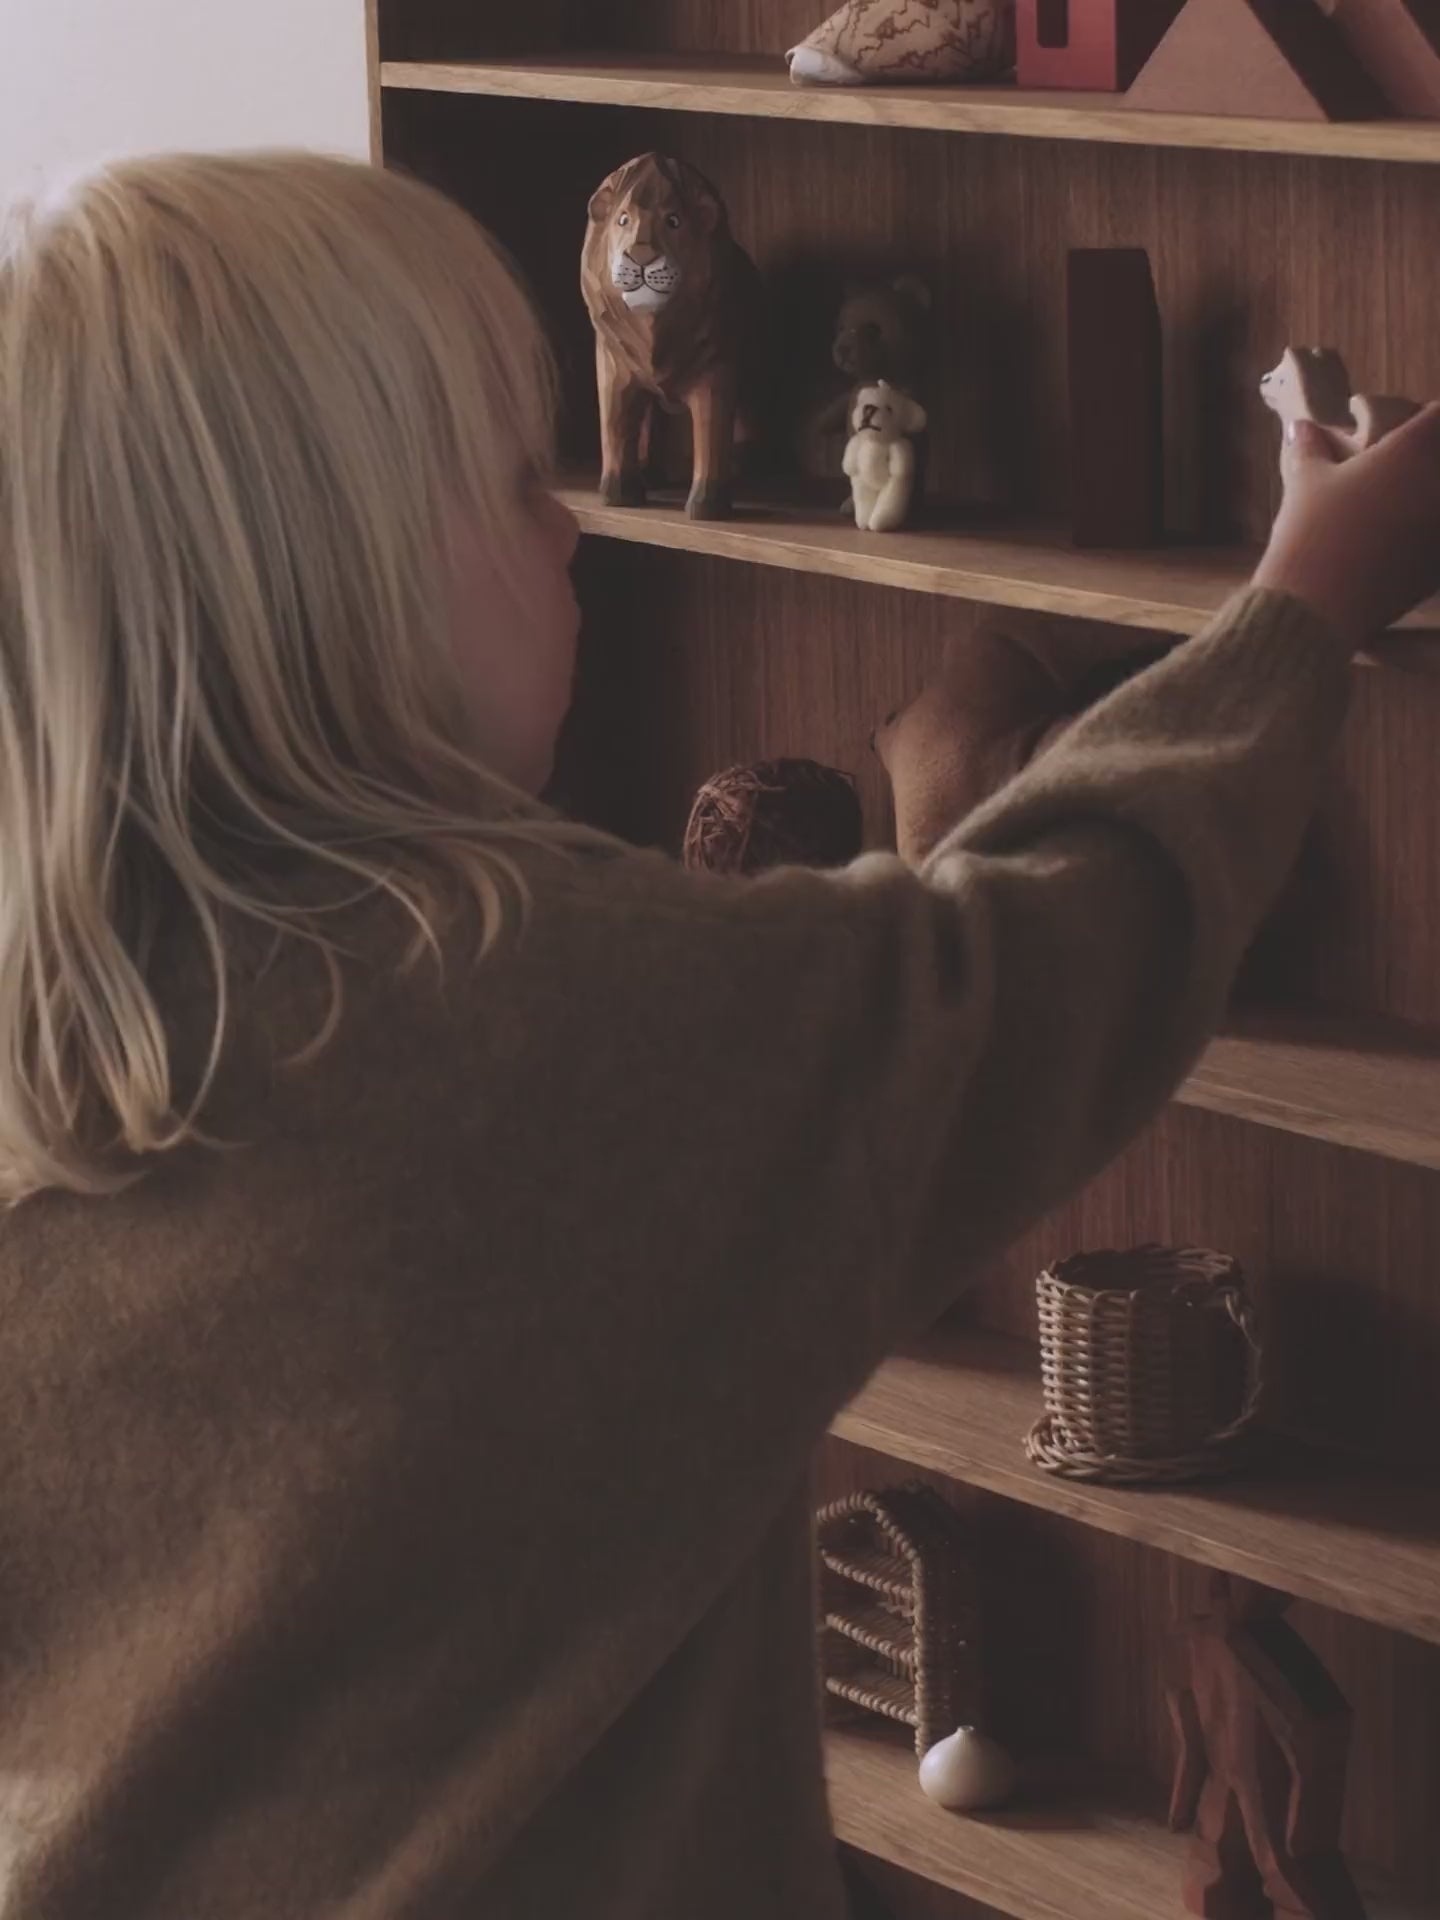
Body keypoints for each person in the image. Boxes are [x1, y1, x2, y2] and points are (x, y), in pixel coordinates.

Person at [0, 151, 1436, 1920]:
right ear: (339, 594)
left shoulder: (52, 1055)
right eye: (502, 476)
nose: (569, 516)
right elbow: (1053, 951)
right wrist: (1305, 600)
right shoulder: (562, 1037)